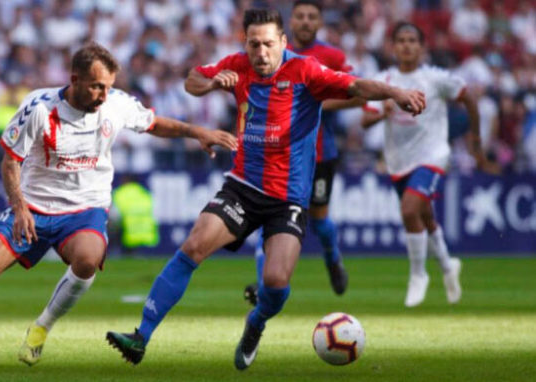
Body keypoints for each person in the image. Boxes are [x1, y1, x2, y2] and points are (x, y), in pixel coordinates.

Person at [106, 9, 425, 371]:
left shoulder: (305, 71)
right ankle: (141, 336)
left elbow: (355, 86)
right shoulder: (237, 64)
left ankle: (256, 322)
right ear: (246, 43)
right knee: (193, 246)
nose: (261, 52)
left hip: (287, 198)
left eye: (268, 44)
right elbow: (192, 80)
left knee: (274, 283)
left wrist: (397, 92)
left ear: (283, 43)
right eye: (254, 44)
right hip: (242, 186)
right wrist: (212, 84)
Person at [0, 42, 237, 372]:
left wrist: (196, 131)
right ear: (74, 80)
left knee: (88, 259)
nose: (103, 95)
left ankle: (42, 327)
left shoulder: (114, 104)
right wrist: (19, 208)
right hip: (33, 205)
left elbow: (153, 123)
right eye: (96, 87)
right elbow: (10, 161)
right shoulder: (39, 107)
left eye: (108, 87)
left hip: (84, 209)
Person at [244, 0, 363, 306]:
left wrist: (315, 100)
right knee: (267, 220)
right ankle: (262, 286)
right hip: (276, 154)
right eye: (300, 16)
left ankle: (333, 259)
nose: (306, 21)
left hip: (319, 153)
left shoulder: (332, 56)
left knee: (320, 221)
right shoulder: (270, 54)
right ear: (290, 24)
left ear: (320, 22)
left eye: (312, 17)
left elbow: (357, 94)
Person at [361, 22, 489, 307]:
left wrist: (475, 138)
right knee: (425, 216)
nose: (406, 45)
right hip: (398, 160)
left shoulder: (435, 78)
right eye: (401, 40)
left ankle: (418, 275)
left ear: (422, 47)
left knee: (409, 210)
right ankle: (447, 265)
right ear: (393, 47)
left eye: (412, 40)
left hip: (433, 155)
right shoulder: (385, 80)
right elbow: (364, 120)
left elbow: (467, 97)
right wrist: (383, 112)